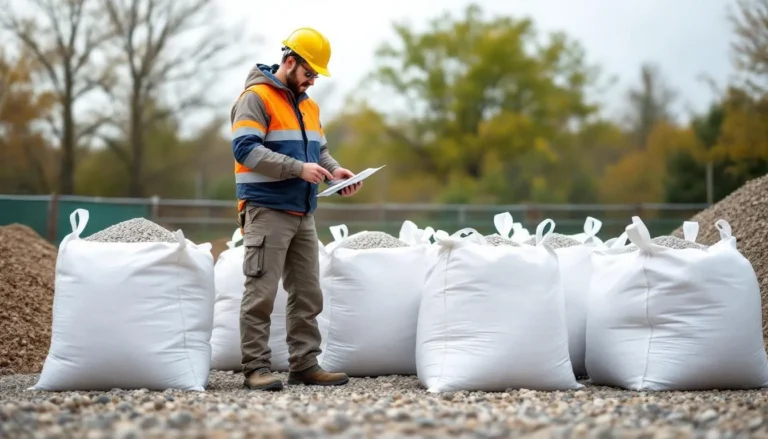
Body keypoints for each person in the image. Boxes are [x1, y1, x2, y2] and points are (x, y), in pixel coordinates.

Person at [229, 27, 362, 391]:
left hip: (303, 212)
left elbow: (318, 151)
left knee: (308, 292)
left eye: (316, 75)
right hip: (267, 210)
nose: (312, 81)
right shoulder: (255, 98)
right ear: (290, 62)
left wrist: (335, 171)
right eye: (309, 73)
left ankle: (304, 364)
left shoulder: (309, 105)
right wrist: (297, 169)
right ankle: (255, 368)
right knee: (261, 294)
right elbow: (245, 149)